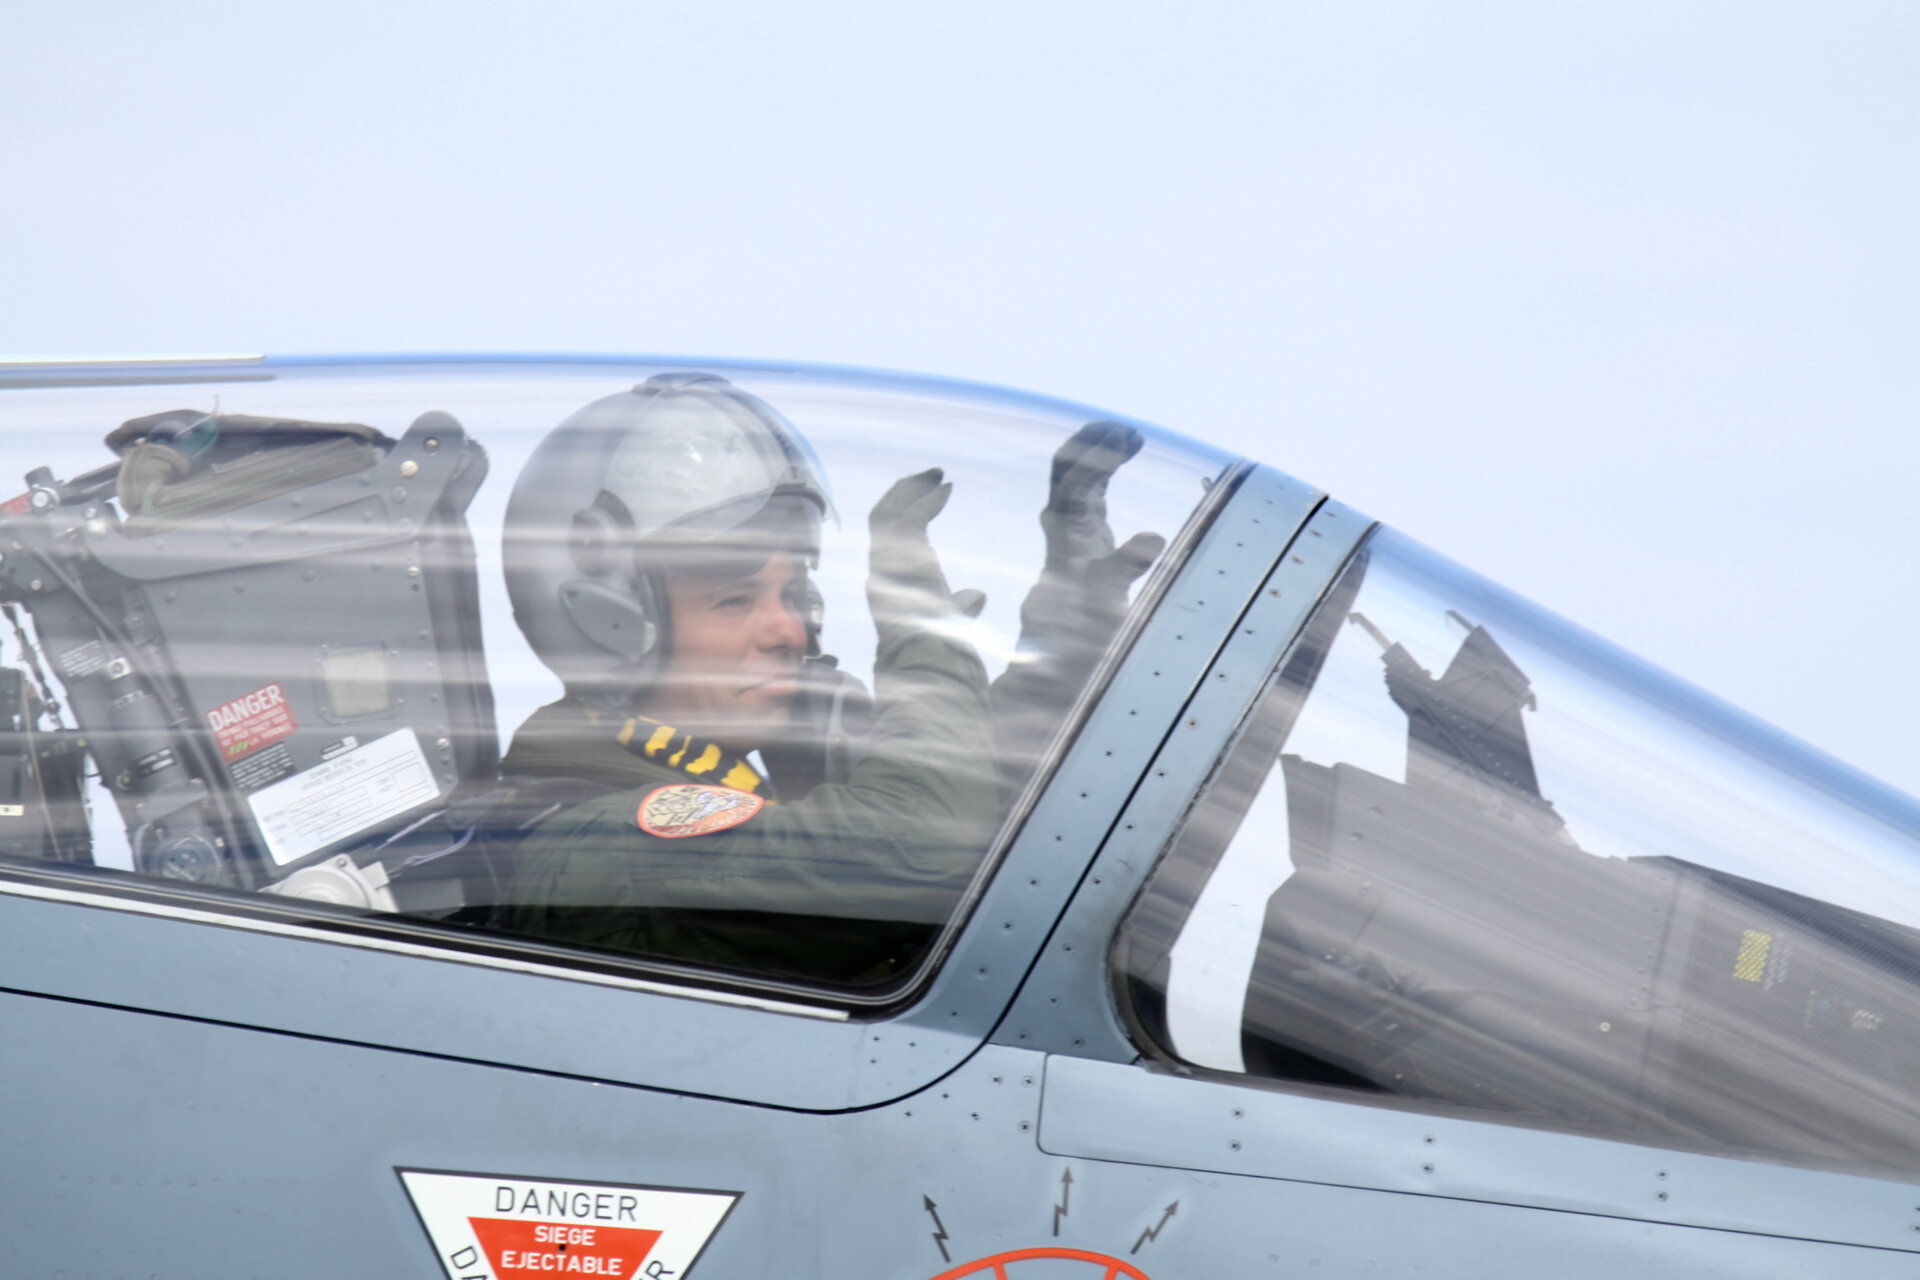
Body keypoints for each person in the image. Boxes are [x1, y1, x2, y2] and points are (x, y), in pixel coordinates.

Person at [488, 373, 1000, 986]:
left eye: (794, 596)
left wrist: (1071, 623)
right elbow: (925, 842)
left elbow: (1000, 822)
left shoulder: (725, 792)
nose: (789, 632)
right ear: (608, 621)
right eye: (734, 601)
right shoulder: (596, 840)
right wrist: (927, 645)